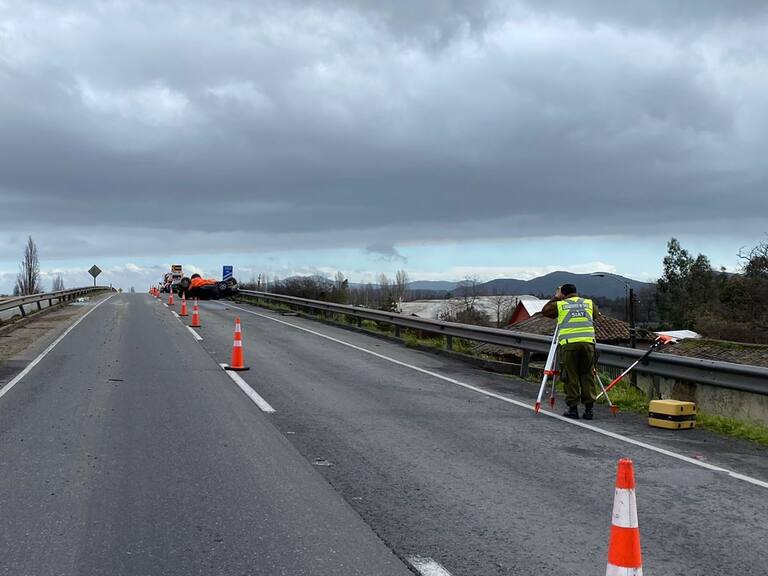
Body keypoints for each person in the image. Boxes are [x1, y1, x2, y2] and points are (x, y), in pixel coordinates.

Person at [541, 284, 598, 420]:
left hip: (569, 345)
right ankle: (589, 410)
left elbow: (545, 311)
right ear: (576, 292)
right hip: (588, 344)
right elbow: (595, 316)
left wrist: (556, 297)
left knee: (570, 376)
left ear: (563, 293)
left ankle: (573, 409)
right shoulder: (588, 303)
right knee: (587, 375)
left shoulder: (560, 305)